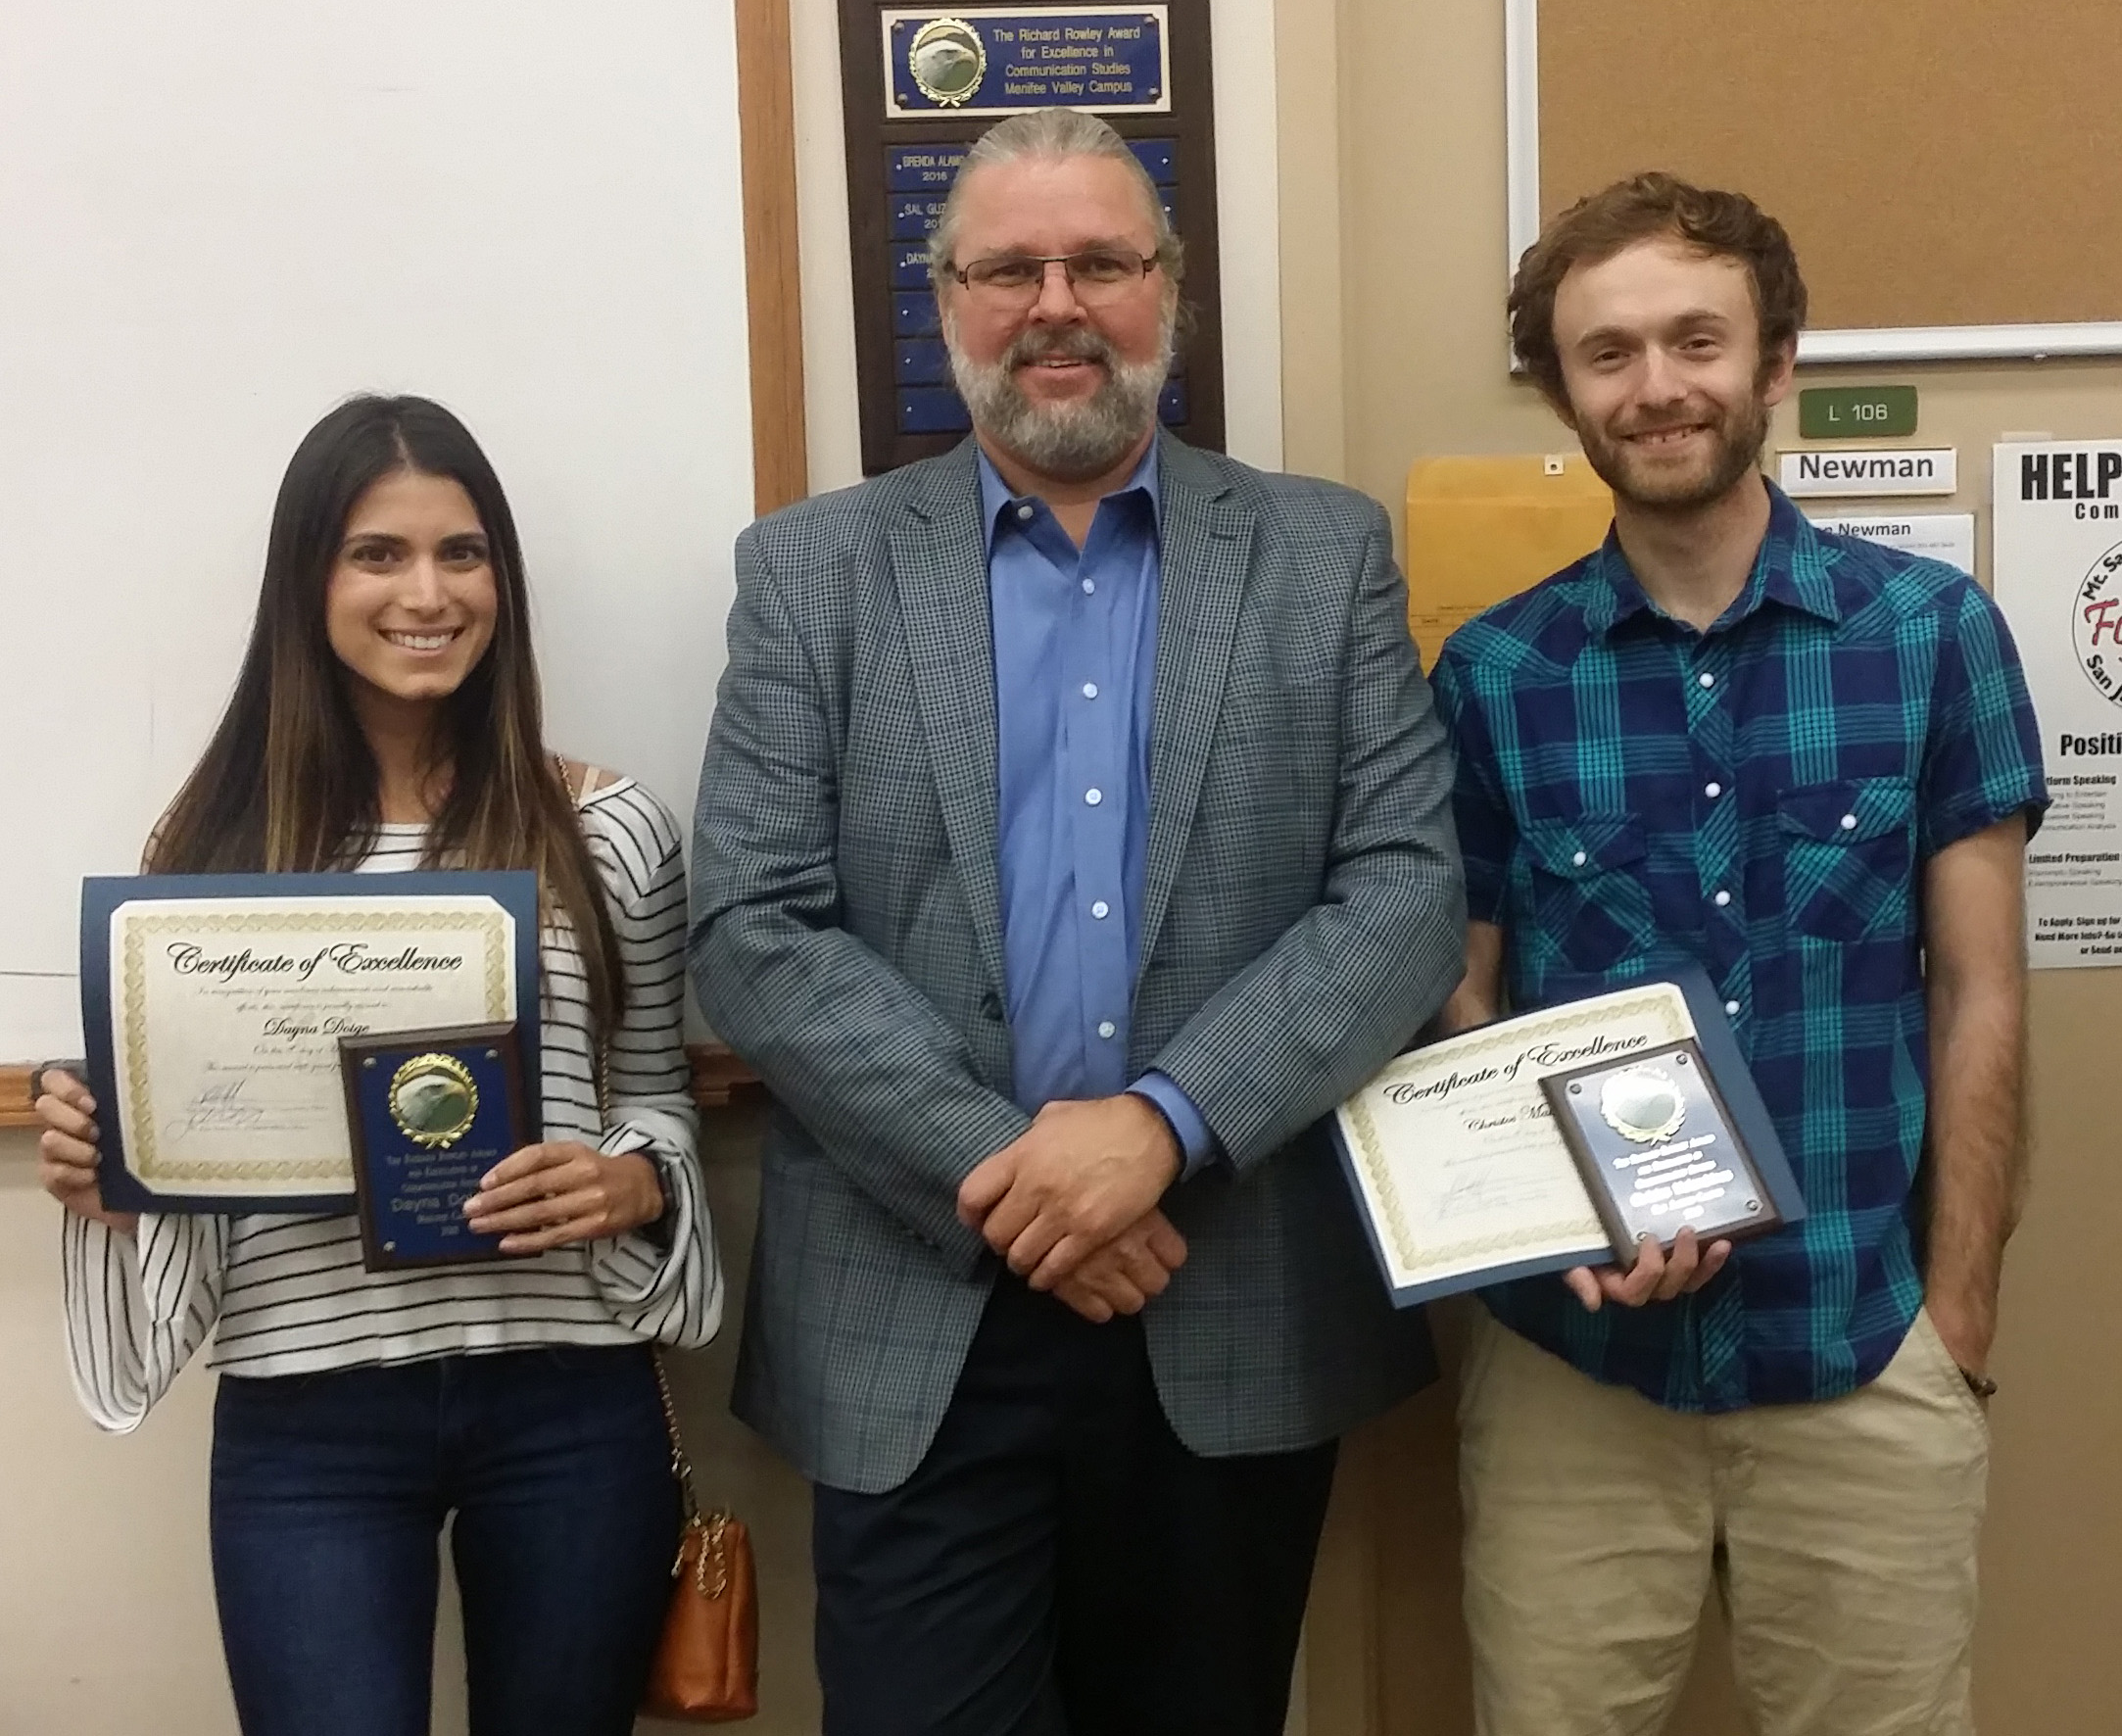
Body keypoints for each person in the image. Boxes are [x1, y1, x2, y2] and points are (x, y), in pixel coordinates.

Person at [690, 107, 1464, 1736]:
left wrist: (1160, 1129)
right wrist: (1018, 1168)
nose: (1055, 300)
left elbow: (1401, 892)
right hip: (917, 1308)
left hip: (1227, 1287)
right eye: (1007, 266)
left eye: (1100, 260)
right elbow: (752, 923)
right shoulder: (811, 573)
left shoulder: (1320, 556)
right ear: (945, 299)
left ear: (1165, 288)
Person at [1430, 173, 2048, 1736]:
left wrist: (1954, 1312)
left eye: (1694, 341)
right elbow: (1461, 1000)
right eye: (1607, 353)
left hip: (1862, 1342)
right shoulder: (1495, 673)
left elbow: (1981, 991)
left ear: (1774, 365)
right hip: (1575, 1373)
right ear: (1563, 392)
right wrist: (1542, 1223)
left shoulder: (1929, 635)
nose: (1654, 387)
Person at [35, 395, 722, 1736]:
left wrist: (632, 1182)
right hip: (310, 1418)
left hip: (569, 1401)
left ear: (502, 582)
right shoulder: (209, 850)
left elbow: (658, 1095)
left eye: (463, 553)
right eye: (377, 553)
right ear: (310, 580)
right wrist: (114, 1170)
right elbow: (171, 1158)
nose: (428, 591)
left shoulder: (611, 826)